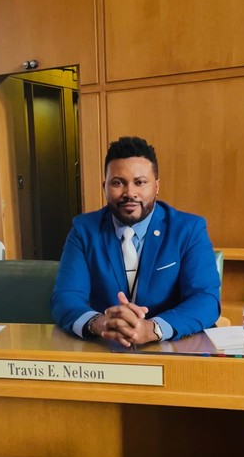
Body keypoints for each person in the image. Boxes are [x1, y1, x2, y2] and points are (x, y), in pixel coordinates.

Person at [51, 136, 221, 347]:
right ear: (104, 186)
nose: (129, 193)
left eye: (140, 182)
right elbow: (65, 298)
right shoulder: (84, 230)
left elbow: (206, 300)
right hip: (104, 349)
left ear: (156, 186)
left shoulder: (188, 229)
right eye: (117, 183)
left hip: (173, 349)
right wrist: (100, 323)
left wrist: (153, 329)